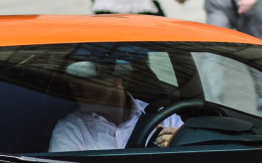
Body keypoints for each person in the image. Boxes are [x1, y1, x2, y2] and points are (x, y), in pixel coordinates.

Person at [49, 56, 182, 152]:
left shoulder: (165, 118)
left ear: (115, 80)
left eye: (83, 76)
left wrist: (179, 143)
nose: (73, 86)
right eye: (71, 80)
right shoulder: (71, 130)